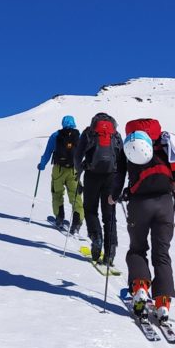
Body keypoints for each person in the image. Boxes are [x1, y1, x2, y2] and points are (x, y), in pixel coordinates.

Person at [110, 118, 175, 322]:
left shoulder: (128, 146)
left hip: (139, 204)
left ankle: (141, 288)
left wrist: (113, 195)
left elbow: (119, 175)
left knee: (137, 249)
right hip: (165, 204)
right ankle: (163, 303)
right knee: (162, 254)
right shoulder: (164, 142)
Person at [74, 112, 124, 265]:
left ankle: (96, 238)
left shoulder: (89, 132)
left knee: (90, 209)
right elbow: (122, 158)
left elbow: (77, 156)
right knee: (109, 215)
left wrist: (78, 173)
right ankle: (111, 250)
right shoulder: (115, 135)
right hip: (111, 176)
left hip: (92, 175)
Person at [37, 115, 84, 235]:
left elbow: (48, 152)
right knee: (75, 196)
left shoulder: (56, 135)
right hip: (73, 170)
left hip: (58, 169)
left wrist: (42, 164)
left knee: (57, 193)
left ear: (63, 123)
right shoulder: (78, 136)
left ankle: (59, 217)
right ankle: (77, 222)